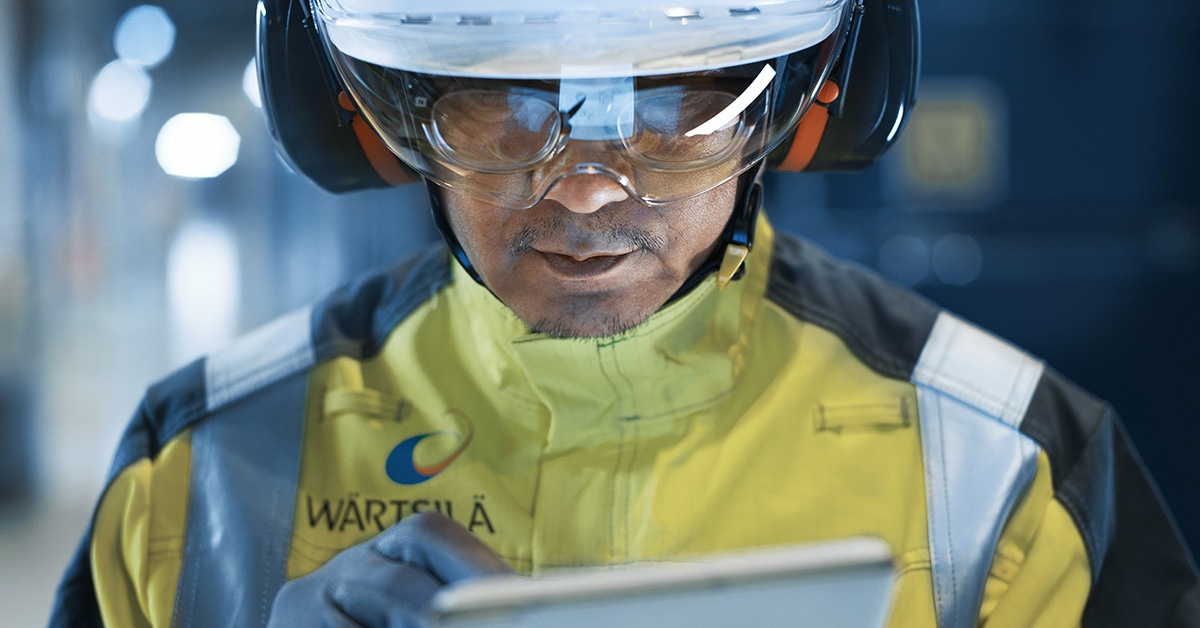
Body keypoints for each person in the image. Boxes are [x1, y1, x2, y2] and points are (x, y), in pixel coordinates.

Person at [51, 0, 1200, 626]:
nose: (590, 184)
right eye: (505, 101)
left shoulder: (1014, 474)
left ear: (806, 104)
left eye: (677, 98)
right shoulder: (196, 473)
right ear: (373, 116)